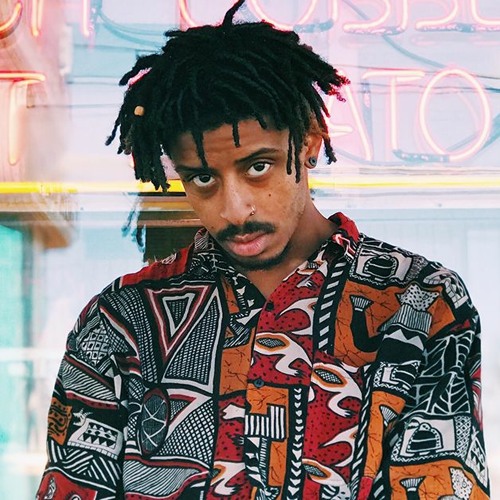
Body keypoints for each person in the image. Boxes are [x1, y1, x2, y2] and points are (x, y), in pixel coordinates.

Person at [36, 1, 490, 498]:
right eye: (203, 178)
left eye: (258, 167)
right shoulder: (121, 321)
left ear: (310, 141)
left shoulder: (417, 303)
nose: (235, 210)